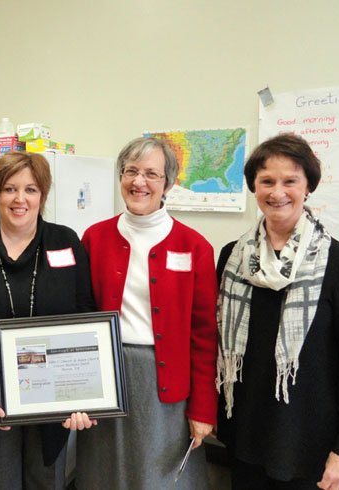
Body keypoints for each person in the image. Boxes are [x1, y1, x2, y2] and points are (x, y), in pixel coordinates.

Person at [0, 151, 96, 489]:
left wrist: (83, 391)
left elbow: (86, 317)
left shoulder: (65, 241)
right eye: (10, 189)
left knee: (46, 476)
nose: (20, 199)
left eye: (31, 189)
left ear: (43, 195)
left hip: (55, 395)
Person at [216, 133, 339, 490]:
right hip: (246, 435)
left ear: (308, 186)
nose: (277, 192)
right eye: (266, 180)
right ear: (253, 185)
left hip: (309, 445)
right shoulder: (231, 258)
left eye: (290, 181)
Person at [76, 137, 218, 489]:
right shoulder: (94, 238)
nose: (139, 182)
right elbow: (79, 319)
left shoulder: (194, 247)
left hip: (165, 384)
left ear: (167, 183)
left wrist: (203, 409)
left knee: (160, 476)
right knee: (104, 472)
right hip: (106, 378)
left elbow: (204, 336)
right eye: (131, 171)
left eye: (151, 174)